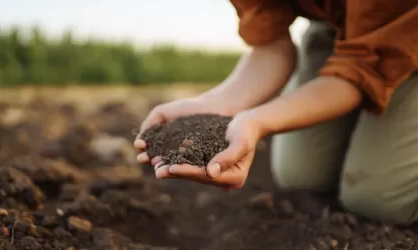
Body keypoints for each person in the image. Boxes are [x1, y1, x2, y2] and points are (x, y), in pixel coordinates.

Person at [134, 1, 418, 225]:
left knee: (377, 200)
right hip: (340, 27)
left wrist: (258, 121)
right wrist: (214, 105)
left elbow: (358, 73)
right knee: (302, 176)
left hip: (406, 25)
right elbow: (271, 46)